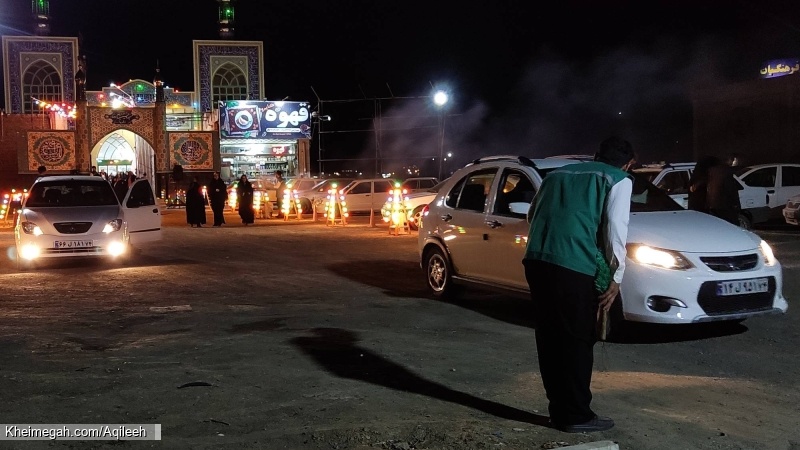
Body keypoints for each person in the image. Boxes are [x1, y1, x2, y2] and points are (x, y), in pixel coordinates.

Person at [522, 136, 635, 433]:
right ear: (629, 164)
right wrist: (616, 276)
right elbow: (615, 232)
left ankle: (559, 410)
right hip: (573, 265)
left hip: (536, 260)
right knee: (578, 340)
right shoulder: (619, 180)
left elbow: (531, 215)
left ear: (596, 155)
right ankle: (575, 415)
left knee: (550, 337)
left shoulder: (556, 175)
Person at [706, 156, 741, 225]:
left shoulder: (712, 171)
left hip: (712, 204)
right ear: (729, 161)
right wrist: (736, 203)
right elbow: (731, 189)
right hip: (724, 204)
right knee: (731, 224)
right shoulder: (727, 171)